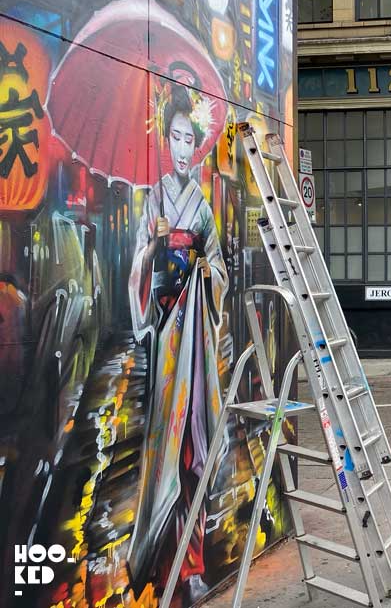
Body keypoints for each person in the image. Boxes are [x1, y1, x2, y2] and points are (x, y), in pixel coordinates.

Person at [127, 83, 228, 601]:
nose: (184, 149)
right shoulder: (153, 199)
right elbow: (137, 275)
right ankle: (165, 560)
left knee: (193, 445)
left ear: (197, 145)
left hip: (196, 342)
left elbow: (220, 271)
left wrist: (203, 270)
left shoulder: (204, 207)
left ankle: (191, 565)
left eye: (191, 140)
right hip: (166, 340)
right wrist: (155, 248)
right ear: (165, 141)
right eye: (176, 138)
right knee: (165, 447)